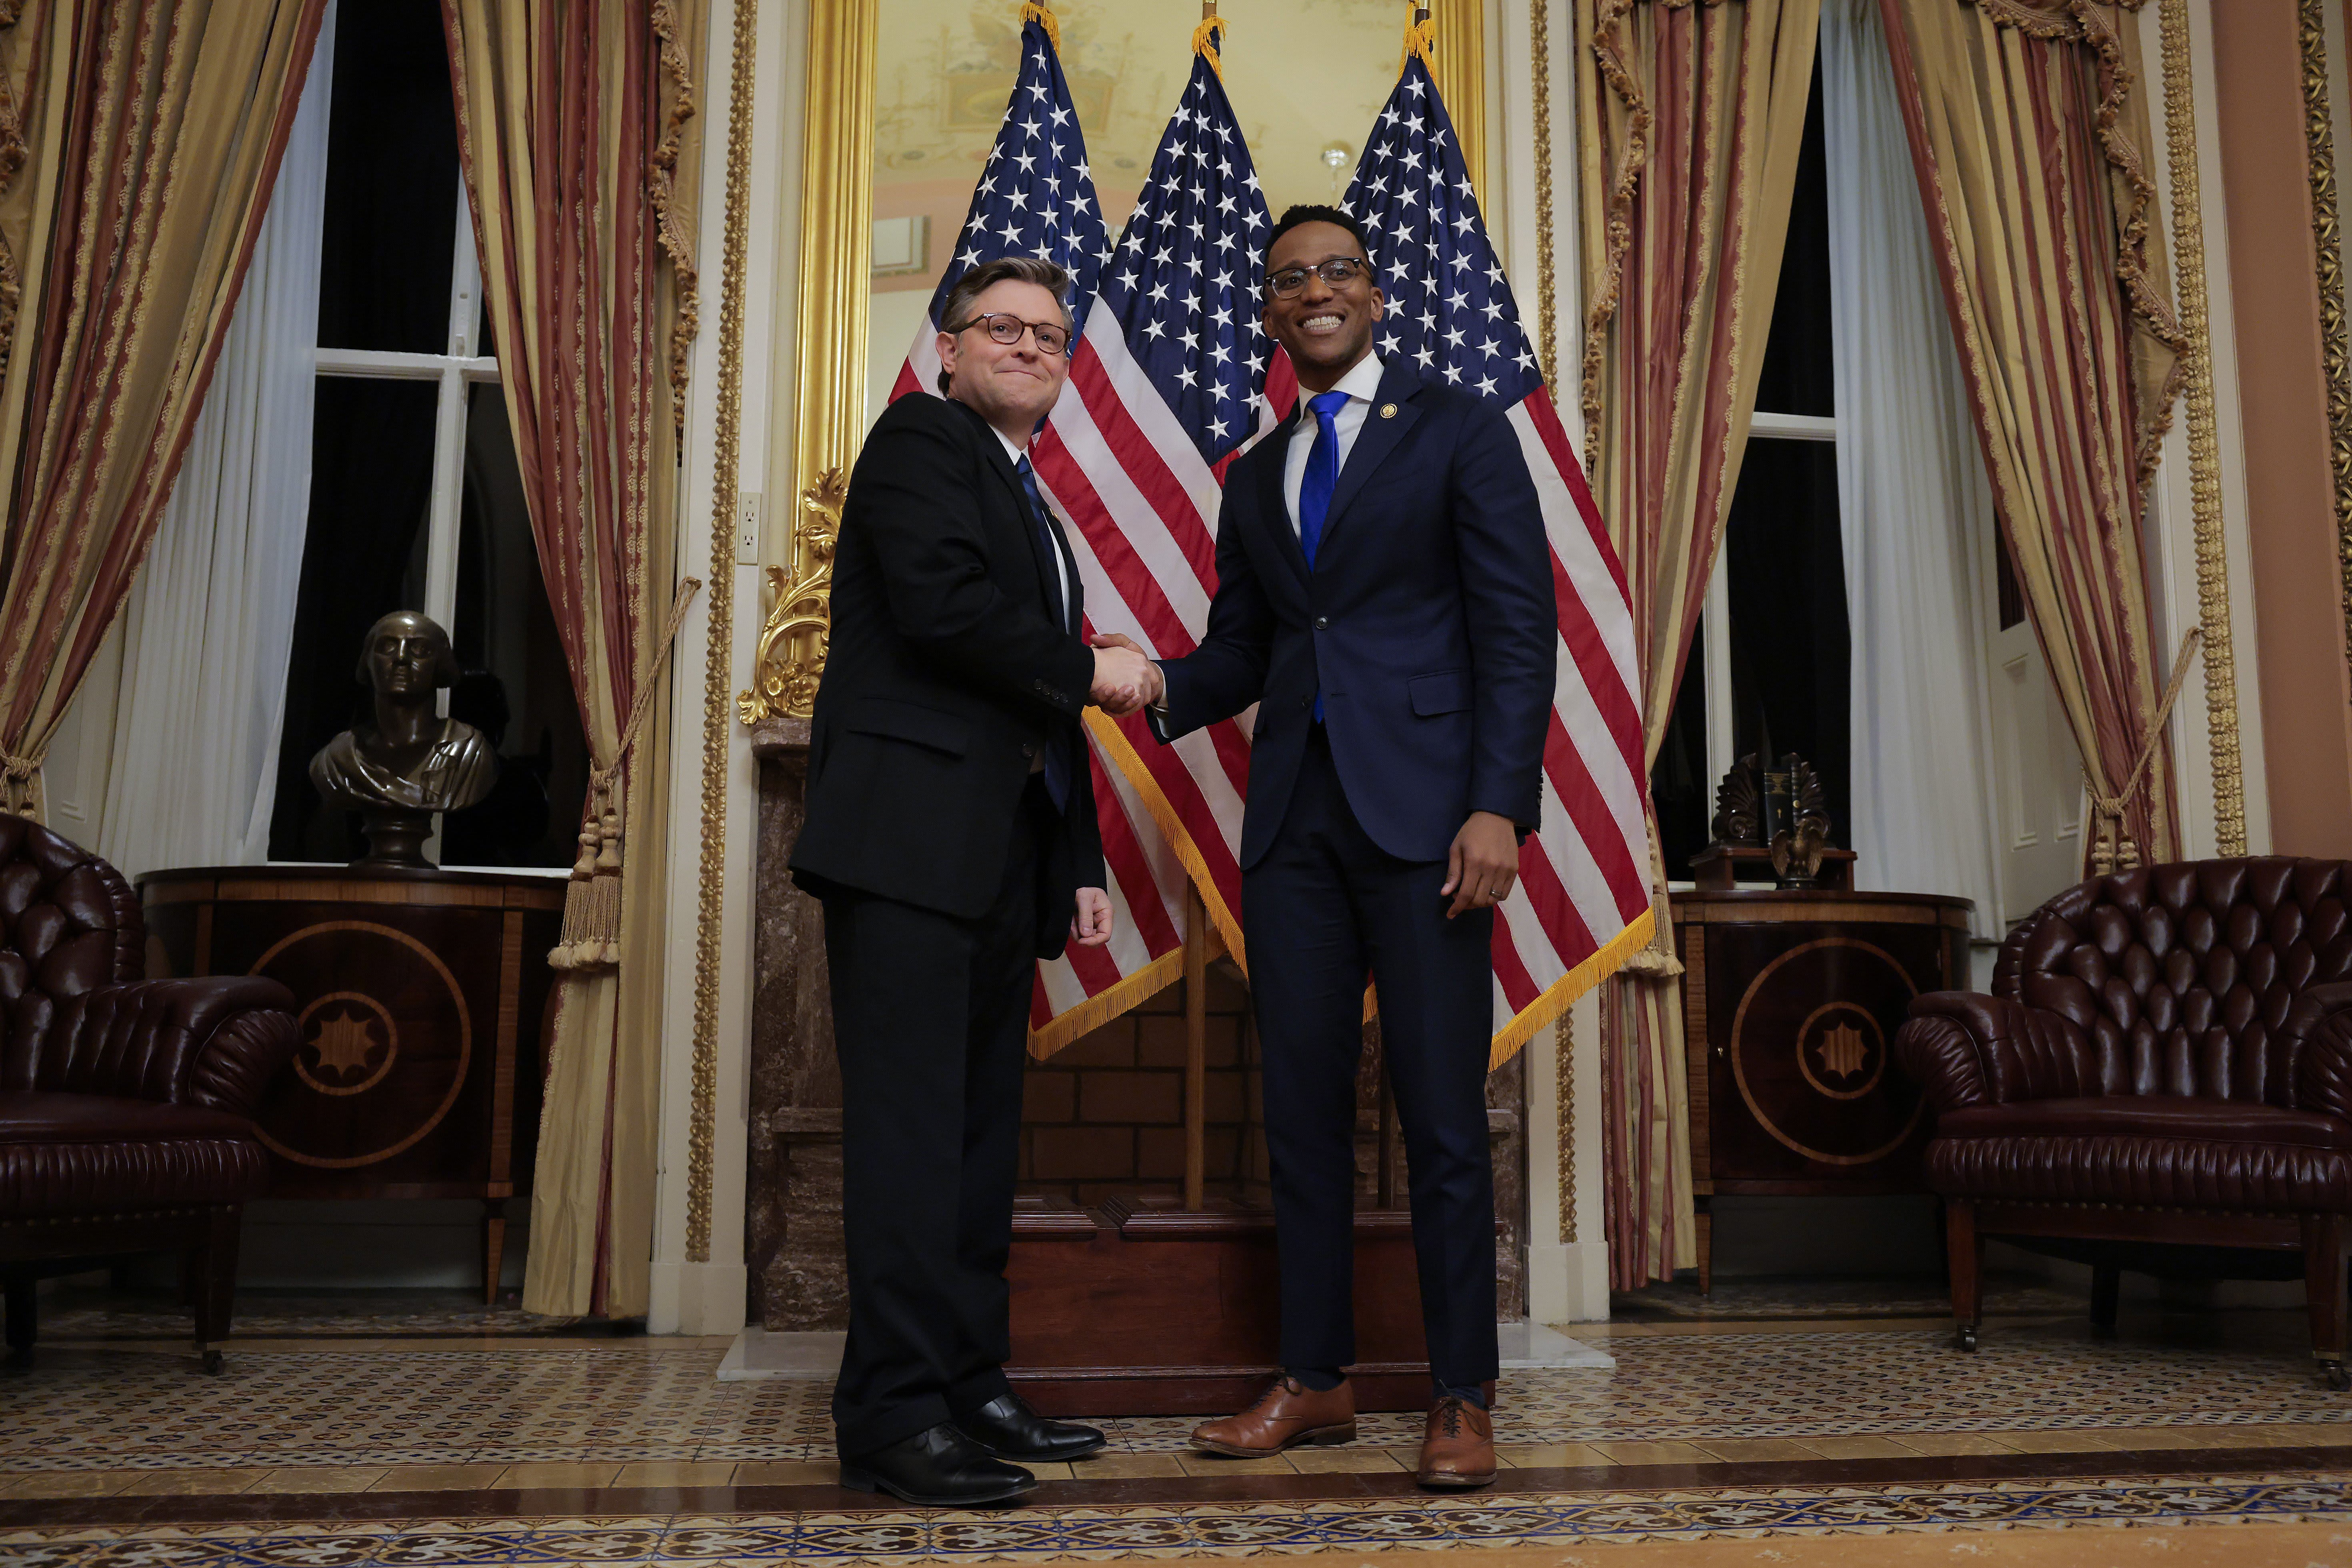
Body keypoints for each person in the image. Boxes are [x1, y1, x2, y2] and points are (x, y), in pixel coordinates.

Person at [1107, 205, 1555, 1490]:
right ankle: (1317, 1378)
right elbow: (1247, 650)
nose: (1315, 291)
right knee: (1297, 1115)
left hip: (1432, 826)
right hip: (1293, 827)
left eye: (1337, 272)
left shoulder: (1460, 426)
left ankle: (1462, 1397)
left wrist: (1500, 806)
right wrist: (1147, 686)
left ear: (1373, 292)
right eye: (1291, 277)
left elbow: (1519, 632)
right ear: (1269, 310)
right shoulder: (1257, 474)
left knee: (1440, 1122)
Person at [790, 256, 1160, 1507]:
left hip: (998, 858)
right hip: (904, 847)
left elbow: (1032, 717)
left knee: (974, 1140)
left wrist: (1080, 862)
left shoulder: (1031, 498)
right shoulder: (917, 443)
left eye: (1048, 334)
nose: (1027, 345)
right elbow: (947, 616)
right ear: (946, 350)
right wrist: (1096, 665)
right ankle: (891, 1414)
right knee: (908, 1141)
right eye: (999, 327)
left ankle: (965, 1382)